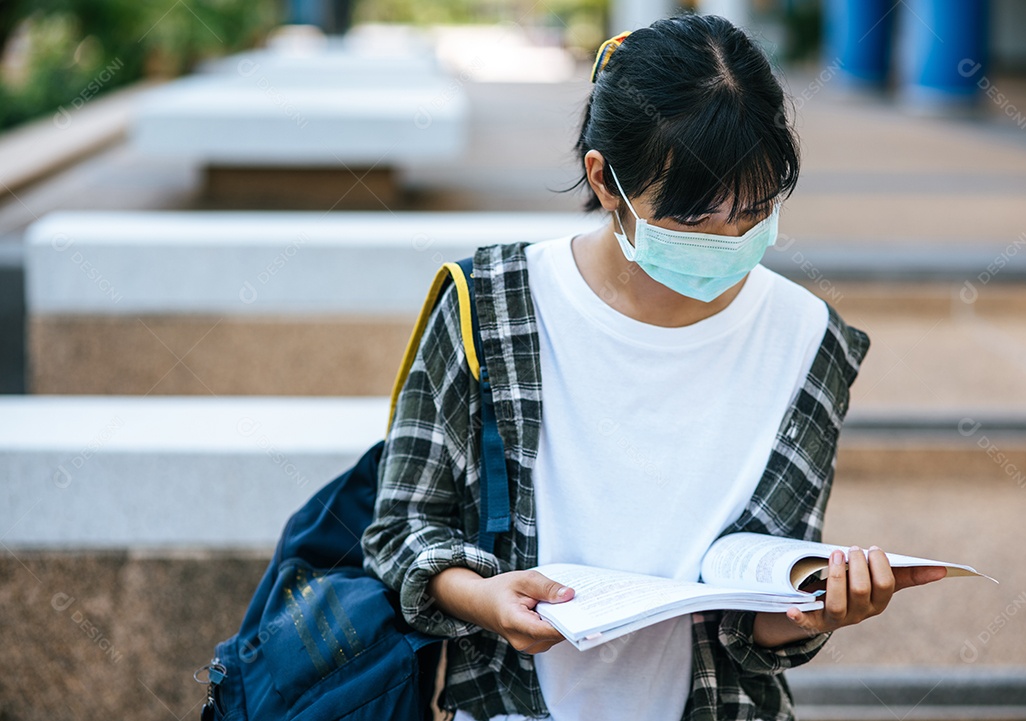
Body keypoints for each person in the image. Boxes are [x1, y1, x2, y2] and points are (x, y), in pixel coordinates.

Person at [361, 13, 947, 721]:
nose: (730, 241)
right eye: (695, 219)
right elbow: (400, 530)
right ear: (604, 179)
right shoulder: (490, 306)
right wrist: (483, 598)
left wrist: (818, 609)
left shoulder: (808, 339)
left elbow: (754, 619)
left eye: (754, 211)